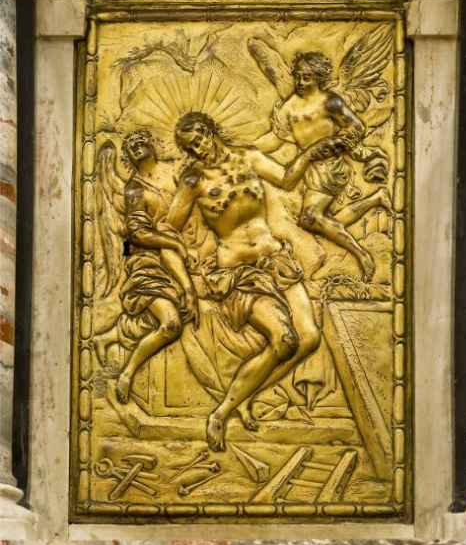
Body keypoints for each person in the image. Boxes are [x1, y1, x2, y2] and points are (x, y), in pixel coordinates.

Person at [168, 111, 332, 451]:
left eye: (199, 138)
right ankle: (221, 413)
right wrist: (187, 261)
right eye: (190, 146)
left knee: (310, 338)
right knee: (284, 340)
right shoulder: (193, 181)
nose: (198, 148)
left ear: (210, 131)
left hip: (275, 259)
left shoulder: (250, 158)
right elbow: (169, 228)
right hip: (240, 273)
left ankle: (245, 396)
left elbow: (286, 179)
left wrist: (309, 153)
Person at [256, 50, 392, 280]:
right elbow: (275, 139)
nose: (300, 82)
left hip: (330, 165)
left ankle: (362, 255)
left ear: (318, 78)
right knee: (323, 220)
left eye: (306, 77)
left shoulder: (330, 101)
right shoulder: (290, 106)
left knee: (310, 217)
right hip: (308, 167)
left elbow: (356, 127)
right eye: (298, 76)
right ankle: (377, 199)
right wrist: (250, 147)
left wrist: (335, 144)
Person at [94, 130, 196, 404]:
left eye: (141, 141)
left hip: (189, 251)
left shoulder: (175, 170)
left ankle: (111, 336)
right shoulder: (134, 189)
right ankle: (128, 372)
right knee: (171, 323)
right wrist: (173, 243)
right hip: (148, 260)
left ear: (153, 144)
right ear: (127, 156)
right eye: (131, 145)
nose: (137, 146)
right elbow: (137, 233)